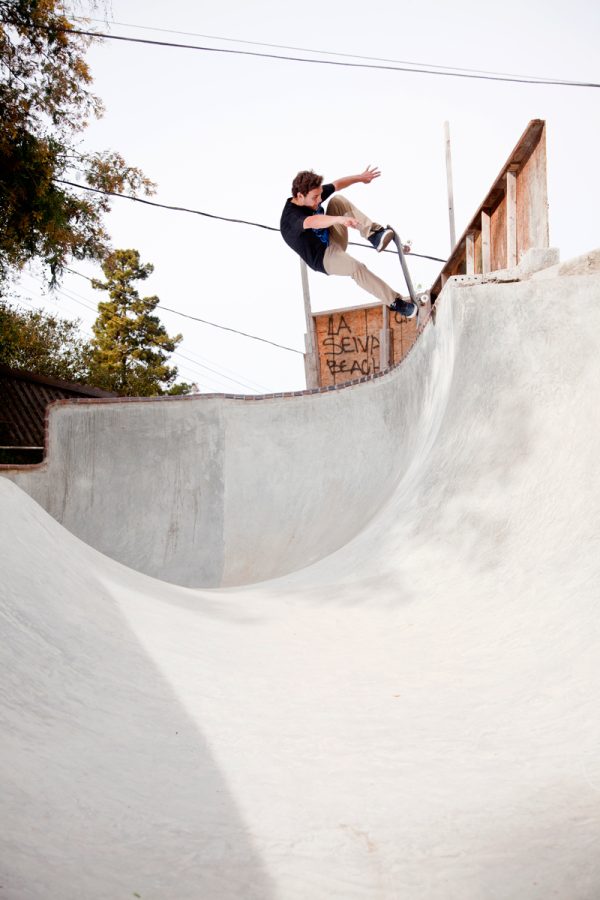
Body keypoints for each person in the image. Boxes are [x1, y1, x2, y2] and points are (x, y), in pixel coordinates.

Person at [280, 166, 417, 317]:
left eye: (319, 195)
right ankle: (395, 303)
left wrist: (361, 177)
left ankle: (374, 235)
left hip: (333, 238)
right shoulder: (290, 219)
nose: (319, 200)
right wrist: (339, 219)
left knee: (337, 200)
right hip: (323, 258)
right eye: (315, 198)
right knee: (356, 267)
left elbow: (337, 184)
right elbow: (312, 221)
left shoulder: (312, 194)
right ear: (299, 196)